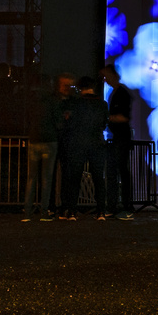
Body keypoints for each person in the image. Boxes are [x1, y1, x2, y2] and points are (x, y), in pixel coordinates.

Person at [23, 73, 72, 221]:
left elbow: (27, 119)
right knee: (47, 178)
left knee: (31, 178)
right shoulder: (53, 101)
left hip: (34, 139)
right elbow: (58, 122)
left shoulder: (31, 100)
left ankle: (27, 212)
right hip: (50, 141)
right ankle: (45, 212)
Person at [59, 76, 109, 220]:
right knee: (98, 179)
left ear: (80, 89)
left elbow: (69, 123)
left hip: (78, 143)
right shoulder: (102, 104)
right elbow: (104, 123)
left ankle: (72, 211)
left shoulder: (75, 104)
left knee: (74, 178)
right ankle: (101, 212)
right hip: (97, 143)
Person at [102, 64, 135, 220]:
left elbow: (124, 117)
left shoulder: (120, 94)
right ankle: (122, 205)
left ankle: (121, 205)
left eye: (107, 76)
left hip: (120, 137)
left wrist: (107, 118)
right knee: (119, 170)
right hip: (120, 136)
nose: (105, 80)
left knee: (117, 171)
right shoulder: (118, 93)